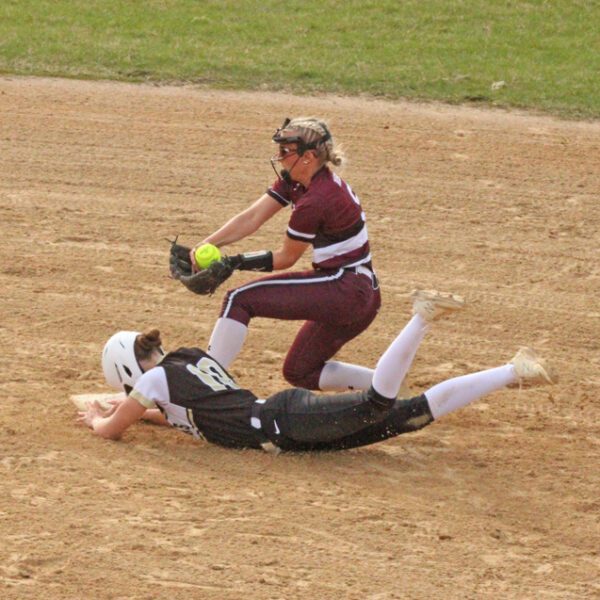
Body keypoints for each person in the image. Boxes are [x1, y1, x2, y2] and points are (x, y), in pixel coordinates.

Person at [78, 291, 557, 453]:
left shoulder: (153, 381)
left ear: (127, 374)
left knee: (379, 403)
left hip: (286, 421)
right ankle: (514, 369)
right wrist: (141, 414)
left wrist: (101, 418)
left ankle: (421, 316)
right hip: (284, 425)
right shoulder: (184, 362)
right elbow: (185, 415)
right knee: (407, 416)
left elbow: (110, 432)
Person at [190, 117, 382, 392]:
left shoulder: (317, 200)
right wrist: (205, 245)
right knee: (299, 371)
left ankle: (201, 388)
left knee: (239, 300)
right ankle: (389, 389)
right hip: (360, 292)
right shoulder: (299, 181)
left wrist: (234, 262)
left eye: (285, 152)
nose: (279, 158)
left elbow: (286, 258)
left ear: (308, 157)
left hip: (345, 288)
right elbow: (252, 217)